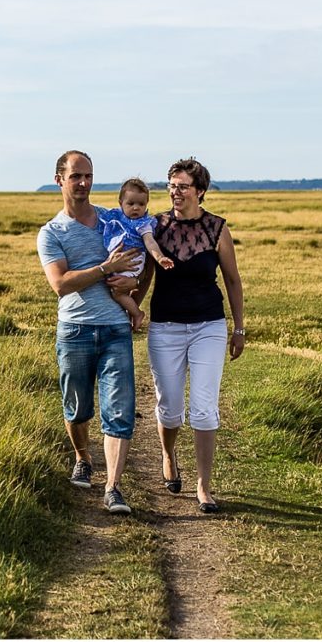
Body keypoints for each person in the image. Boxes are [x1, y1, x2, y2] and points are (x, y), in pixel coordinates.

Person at [135, 157, 244, 514]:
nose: (175, 192)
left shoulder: (217, 228)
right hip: (165, 327)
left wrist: (238, 328)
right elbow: (146, 276)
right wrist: (131, 307)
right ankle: (168, 455)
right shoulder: (156, 226)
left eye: (182, 186)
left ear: (200, 191)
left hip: (208, 326)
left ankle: (204, 486)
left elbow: (231, 280)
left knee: (203, 407)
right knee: (169, 407)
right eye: (171, 185)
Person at [37, 150, 144, 515]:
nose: (83, 183)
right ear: (60, 181)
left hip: (115, 328)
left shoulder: (114, 220)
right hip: (75, 330)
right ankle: (83, 457)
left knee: (119, 410)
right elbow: (61, 284)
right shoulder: (51, 233)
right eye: (75, 177)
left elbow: (140, 255)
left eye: (88, 176)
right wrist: (105, 268)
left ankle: (113, 487)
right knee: (77, 407)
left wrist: (134, 291)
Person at [100, 177, 174, 331]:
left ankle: (136, 313)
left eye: (141, 204)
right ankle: (127, 315)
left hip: (134, 261)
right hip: (119, 259)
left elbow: (150, 242)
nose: (136, 208)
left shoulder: (143, 224)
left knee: (117, 292)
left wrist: (160, 258)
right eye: (131, 203)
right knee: (118, 290)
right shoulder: (116, 216)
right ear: (120, 202)